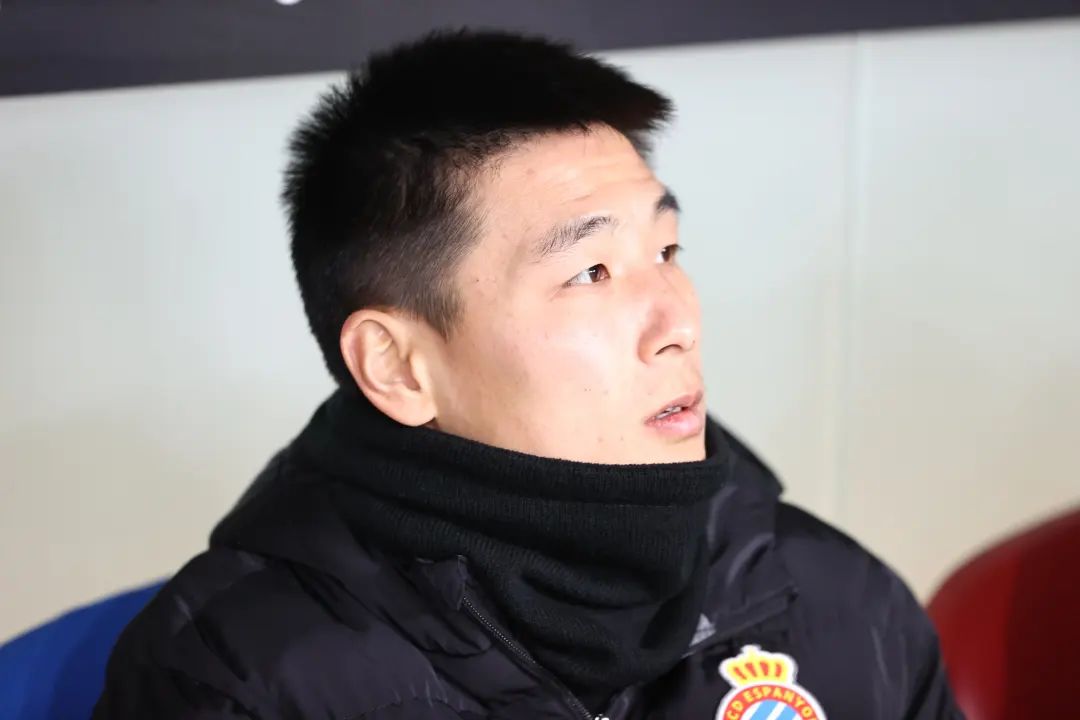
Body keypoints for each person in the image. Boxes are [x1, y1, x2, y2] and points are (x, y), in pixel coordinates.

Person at [93, 29, 962, 720]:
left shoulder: (835, 597)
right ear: (398, 367)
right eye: (591, 272)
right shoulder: (238, 681)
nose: (679, 323)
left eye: (666, 251)